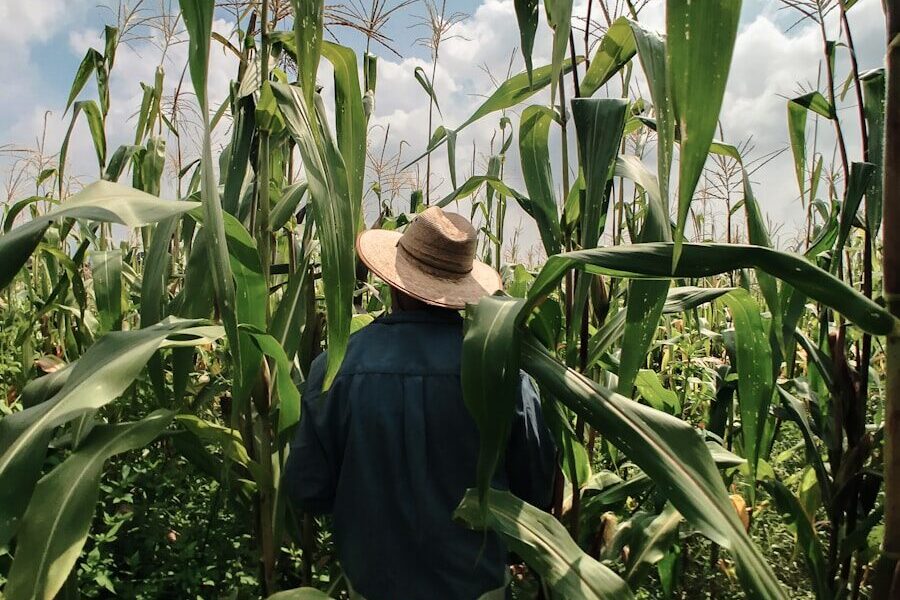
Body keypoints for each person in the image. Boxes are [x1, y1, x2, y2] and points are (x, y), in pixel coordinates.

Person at [283, 206, 557, 600]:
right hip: (477, 589)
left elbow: (307, 488)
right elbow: (535, 493)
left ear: (394, 284)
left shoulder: (336, 369)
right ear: (463, 291)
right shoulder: (502, 375)